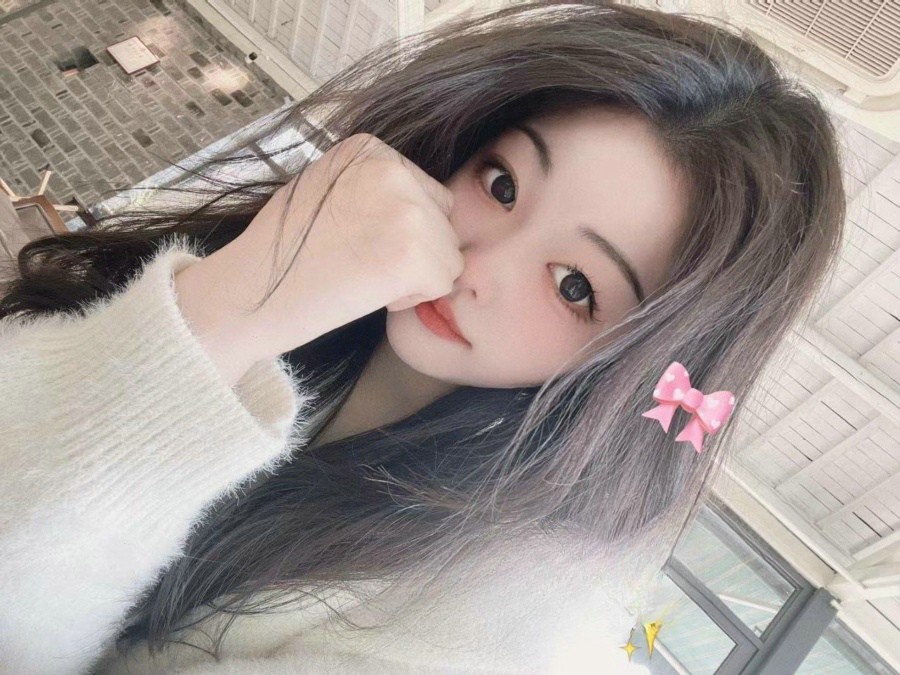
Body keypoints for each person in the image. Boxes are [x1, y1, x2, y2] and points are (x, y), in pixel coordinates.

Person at [0, 1, 847, 673]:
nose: (478, 264)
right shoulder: (292, 288)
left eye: (574, 286)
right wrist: (233, 305)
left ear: (632, 362)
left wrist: (225, 320)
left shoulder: (499, 618)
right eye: (502, 183)